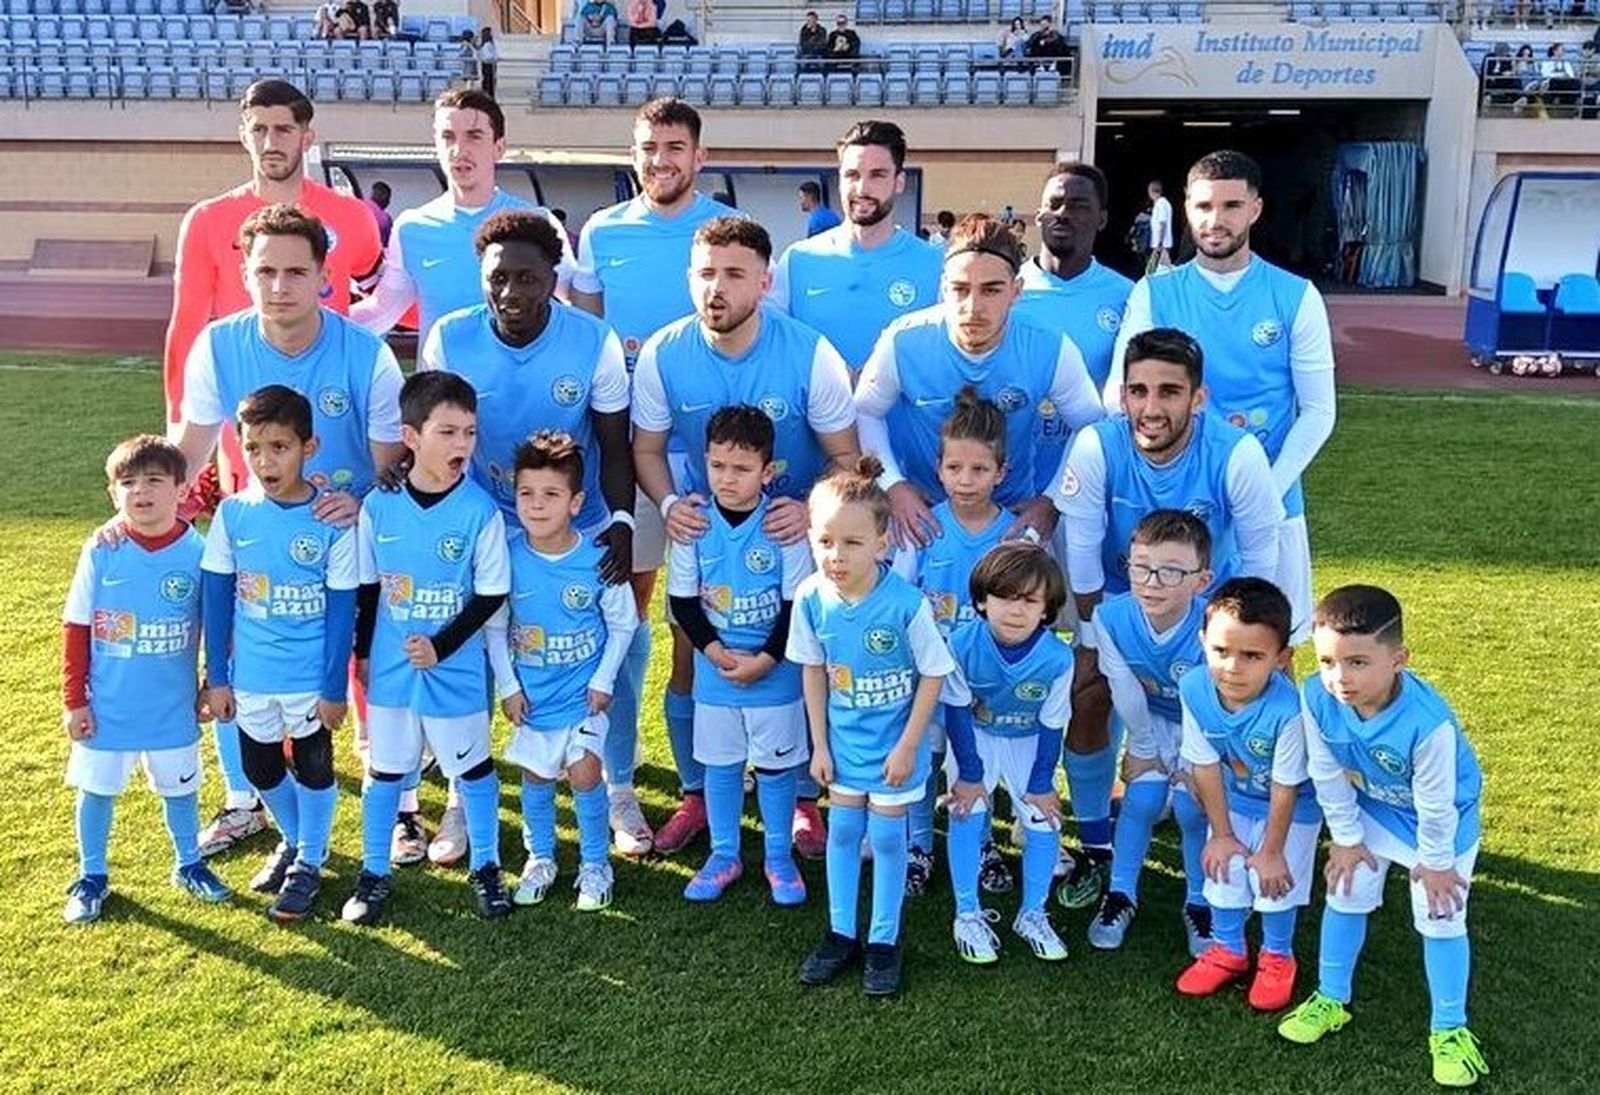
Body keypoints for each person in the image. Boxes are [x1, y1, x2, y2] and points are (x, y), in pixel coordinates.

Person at [174, 204, 401, 860]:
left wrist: (357, 502)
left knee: (371, 665)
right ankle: (245, 801)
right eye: (265, 271)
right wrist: (142, 514)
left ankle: (404, 806)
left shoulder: (368, 354)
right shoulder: (219, 344)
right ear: (245, 274)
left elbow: (392, 468)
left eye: (296, 272)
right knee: (240, 663)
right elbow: (190, 447)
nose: (279, 286)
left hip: (348, 542)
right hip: (261, 543)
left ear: (325, 277)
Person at [632, 216, 860, 857]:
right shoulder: (664, 352)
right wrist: (670, 504)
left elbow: (846, 456)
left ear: (764, 282)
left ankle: (803, 801)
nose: (717, 288)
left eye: (734, 274)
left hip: (792, 533)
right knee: (690, 655)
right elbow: (647, 448)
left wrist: (810, 512)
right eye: (706, 273)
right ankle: (697, 794)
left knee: (801, 657)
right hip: (709, 532)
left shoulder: (809, 352)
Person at [1052, 328, 1283, 896]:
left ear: (1198, 398)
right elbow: (1083, 555)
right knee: (1087, 694)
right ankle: (1096, 841)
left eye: (1169, 392)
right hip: (1120, 603)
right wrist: (1092, 639)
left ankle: (1247, 826)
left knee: (1246, 711)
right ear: (1122, 395)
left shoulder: (1237, 454)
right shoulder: (1097, 446)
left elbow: (1261, 564)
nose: (1151, 408)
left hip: (1213, 613)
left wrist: (1254, 647)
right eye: (1138, 391)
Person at [569, 97, 736, 859]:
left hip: (713, 459)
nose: (660, 160)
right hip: (628, 452)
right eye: (648, 147)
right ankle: (622, 776)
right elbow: (589, 338)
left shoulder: (726, 230)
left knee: (706, 619)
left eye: (674, 147)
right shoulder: (603, 232)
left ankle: (717, 775)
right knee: (625, 615)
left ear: (699, 156)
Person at [1110, 150, 1336, 644]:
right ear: (1186, 208)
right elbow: (1118, 395)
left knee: (1270, 646)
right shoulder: (1154, 293)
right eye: (1204, 206)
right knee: (1154, 644)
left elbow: (1320, 411)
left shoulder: (1296, 295)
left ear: (1255, 209)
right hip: (1176, 506)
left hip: (1273, 504)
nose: (1216, 220)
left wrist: (1265, 490)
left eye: (1231, 206)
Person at [1279, 585, 1488, 1088]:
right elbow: (1326, 770)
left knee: (1440, 913)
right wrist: (1346, 837)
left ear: (1398, 660)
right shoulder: (1315, 695)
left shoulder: (1428, 724)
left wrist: (1437, 862)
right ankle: (1331, 997)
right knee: (1346, 888)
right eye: (1328, 661)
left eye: (1357, 662)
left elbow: (1437, 803)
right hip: (1375, 809)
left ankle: (1449, 1029)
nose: (1339, 677)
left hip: (1442, 823)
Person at [343, 371, 512, 926]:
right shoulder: (379, 506)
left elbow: (491, 595)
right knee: (385, 771)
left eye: (469, 432)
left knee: (473, 769)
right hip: (393, 671)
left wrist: (441, 646)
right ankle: (373, 874)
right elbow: (368, 587)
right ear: (411, 437)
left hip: (455, 669)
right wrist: (364, 653)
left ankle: (487, 868)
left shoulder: (480, 511)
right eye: (448, 432)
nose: (462, 444)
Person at [790, 457, 956, 997]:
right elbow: (813, 671)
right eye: (825, 541)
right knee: (842, 832)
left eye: (852, 543)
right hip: (843, 747)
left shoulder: (906, 605)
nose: (836, 556)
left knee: (886, 837)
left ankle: (884, 940)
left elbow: (934, 674)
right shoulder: (811, 598)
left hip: (894, 751)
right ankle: (840, 933)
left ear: (883, 543)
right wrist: (819, 744)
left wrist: (909, 746)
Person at [854, 212, 1103, 556]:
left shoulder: (1049, 346)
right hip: (923, 518)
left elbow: (1091, 427)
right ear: (943, 288)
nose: (973, 307)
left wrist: (1052, 501)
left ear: (1016, 291)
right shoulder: (904, 340)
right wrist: (893, 486)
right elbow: (865, 411)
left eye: (991, 290)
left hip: (1011, 522)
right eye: (960, 289)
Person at [200, 386, 356, 923]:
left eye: (280, 447)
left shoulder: (331, 522)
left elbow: (342, 612)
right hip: (251, 677)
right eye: (254, 448)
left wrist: (334, 687)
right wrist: (217, 677)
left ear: (309, 447)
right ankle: (297, 840)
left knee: (313, 768)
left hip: (308, 680)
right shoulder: (233, 515)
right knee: (260, 768)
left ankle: (307, 863)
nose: (265, 461)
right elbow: (217, 601)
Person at [60, 436, 231, 924]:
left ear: (182, 489)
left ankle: (189, 864)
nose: (140, 491)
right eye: (128, 483)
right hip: (108, 706)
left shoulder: (199, 553)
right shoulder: (101, 549)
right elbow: (76, 626)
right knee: (97, 790)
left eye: (154, 480)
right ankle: (92, 875)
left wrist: (211, 683)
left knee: (180, 789)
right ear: (113, 495)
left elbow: (217, 627)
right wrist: (74, 699)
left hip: (172, 707)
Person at [165, 79, 382, 455]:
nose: (270, 143)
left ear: (306, 137)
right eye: (259, 130)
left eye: (283, 130)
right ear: (243, 136)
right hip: (245, 424)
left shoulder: (352, 216)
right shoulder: (207, 220)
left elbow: (386, 295)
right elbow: (187, 326)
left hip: (332, 410)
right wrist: (176, 425)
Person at [422, 211, 634, 594]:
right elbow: (435, 442)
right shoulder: (450, 339)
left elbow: (615, 447)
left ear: (552, 280)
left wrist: (622, 521)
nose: (509, 293)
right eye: (497, 278)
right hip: (489, 518)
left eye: (526, 279)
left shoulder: (595, 341)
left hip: (577, 520)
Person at [666, 406, 814, 906]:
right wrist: (715, 653)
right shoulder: (694, 523)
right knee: (722, 766)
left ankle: (778, 857)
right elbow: (683, 602)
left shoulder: (783, 525)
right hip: (717, 673)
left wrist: (766, 660)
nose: (727, 479)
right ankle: (724, 854)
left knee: (776, 769)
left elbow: (796, 605)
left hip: (775, 673)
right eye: (717, 466)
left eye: (742, 468)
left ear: (767, 472)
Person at [485, 432, 638, 912]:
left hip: (582, 698)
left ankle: (595, 863)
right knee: (535, 778)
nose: (536, 504)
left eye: (551, 494)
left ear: (575, 502)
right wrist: (508, 687)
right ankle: (540, 858)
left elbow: (624, 622)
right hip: (534, 700)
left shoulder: (598, 559)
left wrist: (603, 680)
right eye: (526, 493)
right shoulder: (507, 556)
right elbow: (494, 627)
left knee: (586, 772)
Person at [1176, 578, 1320, 1012]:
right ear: (1203, 642)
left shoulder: (1289, 711)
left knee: (1273, 879)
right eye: (1221, 650)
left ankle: (1277, 956)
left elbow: (1285, 786)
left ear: (1282, 659)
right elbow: (1204, 764)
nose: (1232, 667)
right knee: (1223, 867)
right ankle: (1228, 949)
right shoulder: (1194, 687)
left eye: (1252, 656)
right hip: (1235, 800)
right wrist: (1221, 834)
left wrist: (1272, 851)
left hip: (1294, 810)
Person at [891, 388, 1011, 897]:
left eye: (979, 469)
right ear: (938, 469)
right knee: (921, 763)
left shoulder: (1014, 536)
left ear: (1000, 472)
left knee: (973, 767)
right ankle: (919, 846)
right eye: (955, 468)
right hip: (926, 682)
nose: (966, 480)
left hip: (984, 683)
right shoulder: (923, 527)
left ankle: (982, 845)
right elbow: (899, 601)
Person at [353, 88, 576, 358]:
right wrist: (317, 320)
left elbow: (578, 304)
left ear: (499, 148)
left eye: (474, 136)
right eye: (448, 137)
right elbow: (383, 311)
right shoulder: (412, 228)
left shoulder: (538, 224)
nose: (459, 150)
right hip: (441, 383)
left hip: (521, 382)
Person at [1086, 510, 1213, 957]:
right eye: (1141, 567)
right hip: (1151, 722)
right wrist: (1141, 746)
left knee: (1192, 807)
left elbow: (1209, 699)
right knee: (1141, 799)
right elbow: (1124, 688)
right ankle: (1120, 893)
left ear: (1201, 580)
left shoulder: (1213, 624)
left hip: (1204, 728)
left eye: (1171, 571)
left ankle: (1200, 902)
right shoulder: (1110, 617)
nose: (1152, 582)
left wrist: (1193, 762)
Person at [941, 543, 1075, 965]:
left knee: (1043, 819)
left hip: (1027, 740)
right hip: (975, 736)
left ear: (1046, 609)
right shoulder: (961, 643)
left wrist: (1042, 783)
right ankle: (967, 914)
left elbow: (1053, 724)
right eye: (1004, 597)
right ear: (982, 600)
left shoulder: (1058, 658)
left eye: (1030, 600)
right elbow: (956, 710)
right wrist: (969, 774)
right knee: (967, 811)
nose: (1016, 610)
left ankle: (1032, 913)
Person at [770, 121, 943, 376]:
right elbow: (770, 346)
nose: (862, 189)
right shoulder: (797, 260)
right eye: (852, 175)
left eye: (877, 175)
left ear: (899, 182)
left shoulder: (936, 264)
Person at [1013, 162, 1134, 499]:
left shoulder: (1127, 296)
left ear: (1102, 219)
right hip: (1009, 482)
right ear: (1039, 215)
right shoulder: (1006, 292)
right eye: (1054, 204)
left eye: (1078, 206)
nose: (1063, 214)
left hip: (1089, 481)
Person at [1146, 179, 1173, 274]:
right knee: (1161, 269)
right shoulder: (1161, 203)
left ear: (1151, 191)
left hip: (1162, 245)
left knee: (1160, 270)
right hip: (1161, 244)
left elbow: (1162, 223)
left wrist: (1159, 243)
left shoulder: (1161, 203)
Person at [364, 180, 393, 247]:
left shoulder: (359, 205)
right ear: (384, 197)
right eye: (388, 199)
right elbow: (387, 245)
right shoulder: (386, 218)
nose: (389, 202)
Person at [476, 28, 500, 98]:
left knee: (489, 80)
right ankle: (488, 96)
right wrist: (494, 58)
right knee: (489, 81)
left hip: (488, 64)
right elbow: (488, 56)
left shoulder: (489, 44)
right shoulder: (487, 44)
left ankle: (488, 95)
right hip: (488, 64)